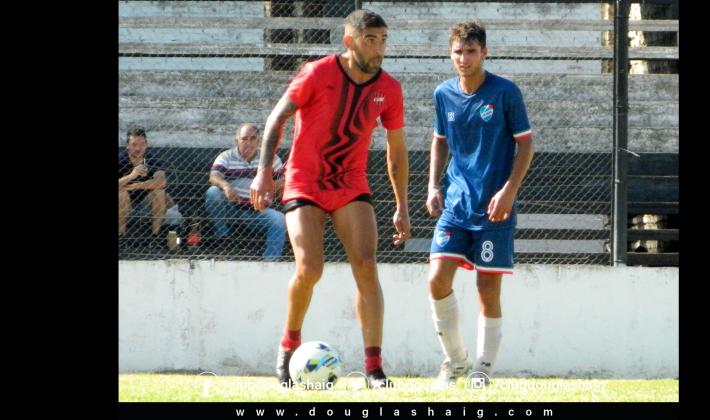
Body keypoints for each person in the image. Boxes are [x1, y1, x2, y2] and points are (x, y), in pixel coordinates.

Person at [249, 9, 411, 389]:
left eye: (383, 39)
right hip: (304, 181)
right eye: (371, 39)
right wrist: (262, 172)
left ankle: (373, 369)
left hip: (350, 183)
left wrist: (402, 206)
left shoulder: (390, 88)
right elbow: (277, 117)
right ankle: (288, 346)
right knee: (310, 268)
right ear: (349, 40)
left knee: (367, 265)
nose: (379, 48)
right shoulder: (317, 73)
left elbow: (397, 151)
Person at [425, 21, 535, 388]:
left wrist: (509, 191)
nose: (464, 58)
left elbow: (526, 144)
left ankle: (483, 369)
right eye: (458, 51)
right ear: (450, 53)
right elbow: (440, 140)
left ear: (484, 53)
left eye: (471, 51)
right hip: (456, 204)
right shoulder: (443, 93)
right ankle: (455, 361)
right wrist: (432, 185)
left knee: (487, 290)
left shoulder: (505, 92)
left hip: (493, 208)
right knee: (436, 279)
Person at [205, 123, 287, 260]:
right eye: (244, 139)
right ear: (237, 140)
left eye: (253, 138)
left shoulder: (270, 158)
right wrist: (226, 187)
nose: (248, 142)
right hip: (231, 209)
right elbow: (214, 176)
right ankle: (222, 236)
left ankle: (271, 260)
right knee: (213, 192)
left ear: (258, 141)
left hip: (258, 211)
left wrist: (268, 186)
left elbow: (284, 180)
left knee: (279, 219)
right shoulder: (226, 156)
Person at [119, 126, 168, 238]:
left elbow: (161, 182)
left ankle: (155, 236)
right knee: (121, 194)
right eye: (134, 144)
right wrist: (132, 176)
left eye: (141, 144)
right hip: (124, 205)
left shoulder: (152, 160)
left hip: (146, 205)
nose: (138, 148)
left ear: (146, 145)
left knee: (159, 193)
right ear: (127, 146)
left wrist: (134, 185)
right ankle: (121, 235)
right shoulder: (121, 160)